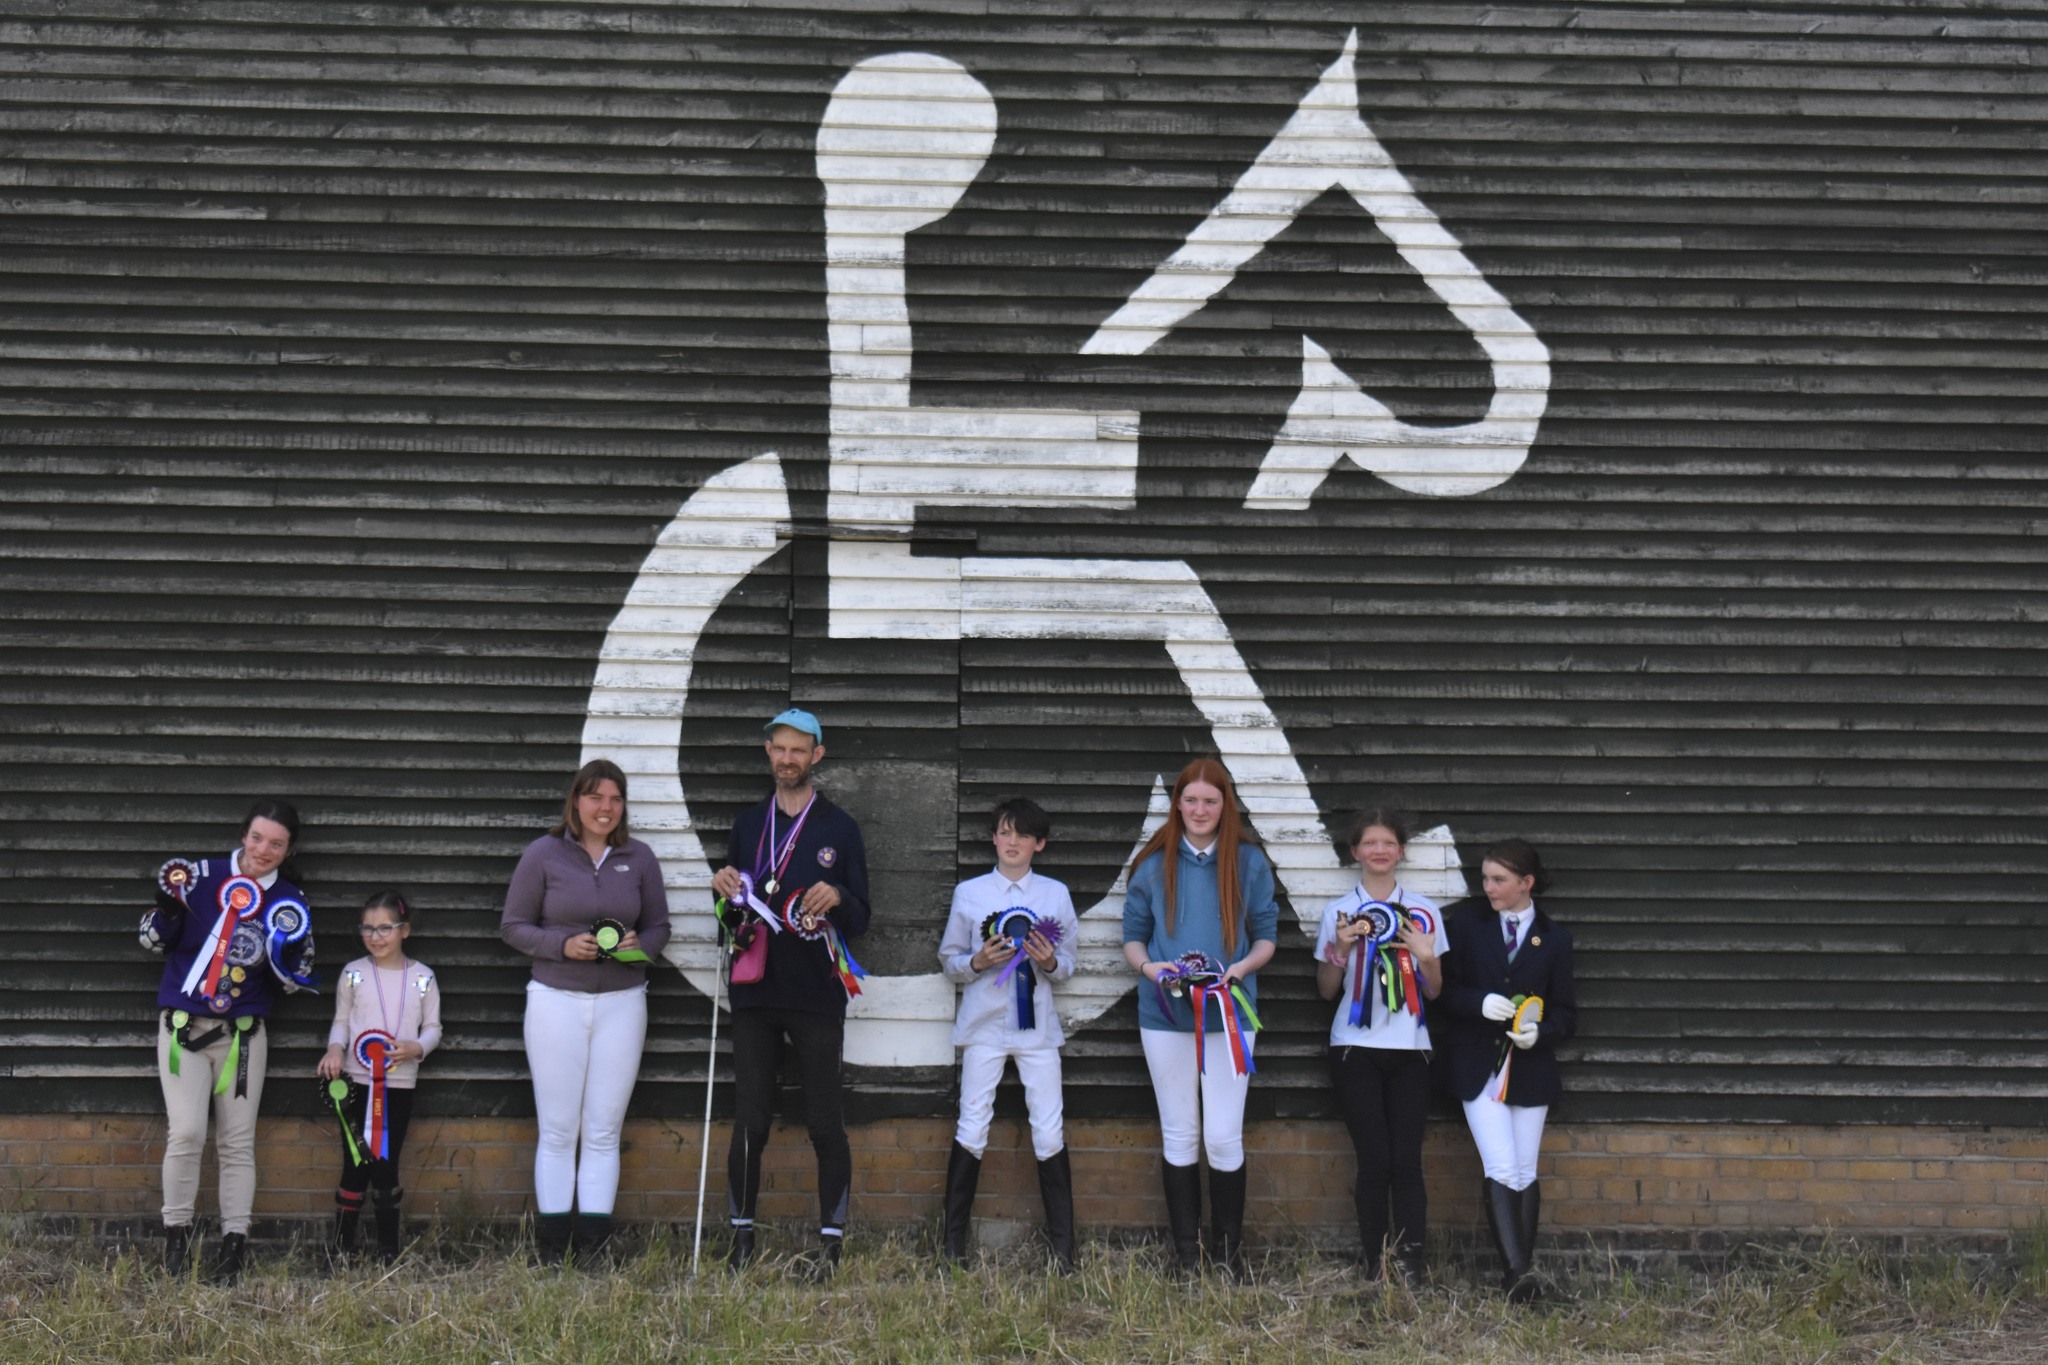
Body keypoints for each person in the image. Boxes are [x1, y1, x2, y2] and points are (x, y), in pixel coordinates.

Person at [709, 708, 871, 1278]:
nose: (787, 759)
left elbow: (863, 915)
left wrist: (839, 898)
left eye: (798, 750)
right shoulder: (748, 824)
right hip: (754, 991)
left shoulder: (839, 828)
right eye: (778, 749)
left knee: (825, 1121)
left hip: (817, 992)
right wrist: (722, 890)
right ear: (768, 753)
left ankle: (830, 1245)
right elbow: (731, 917)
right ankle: (740, 1240)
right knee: (750, 1120)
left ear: (817, 755)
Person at [139, 797, 317, 1282]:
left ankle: (233, 1246)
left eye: (276, 844)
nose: (264, 850)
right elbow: (150, 940)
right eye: (257, 838)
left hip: (242, 1034)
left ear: (288, 850)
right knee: (188, 1133)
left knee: (237, 1143)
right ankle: (176, 1238)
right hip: (183, 1029)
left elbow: (298, 974)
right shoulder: (194, 876)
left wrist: (288, 955)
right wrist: (167, 911)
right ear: (243, 834)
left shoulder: (290, 902)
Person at [500, 758, 670, 1264]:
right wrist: (561, 946)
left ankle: (593, 1248)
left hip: (622, 1004)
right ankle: (554, 1249)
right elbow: (513, 926)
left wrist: (643, 945)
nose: (606, 808)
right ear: (576, 801)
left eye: (615, 799)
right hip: (556, 1001)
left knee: (603, 1129)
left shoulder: (639, 858)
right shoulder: (543, 854)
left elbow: (661, 927)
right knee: (557, 1128)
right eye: (596, 797)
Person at [1122, 758, 1278, 1278]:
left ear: (1224, 805)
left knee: (1223, 1137)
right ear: (1178, 804)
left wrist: (1241, 969)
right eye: (1191, 800)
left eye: (1211, 801)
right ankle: (1187, 1257)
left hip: (1230, 1015)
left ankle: (1229, 1257)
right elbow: (1133, 936)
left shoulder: (1249, 862)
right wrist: (1150, 968)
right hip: (1164, 1016)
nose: (1200, 810)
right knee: (1180, 1133)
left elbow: (1266, 936)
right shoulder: (1151, 864)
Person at [936, 797, 1083, 1271]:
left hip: (1038, 1031)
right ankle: (952, 1245)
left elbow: (1069, 964)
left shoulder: (1055, 895)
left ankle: (1064, 1249)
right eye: (1004, 832)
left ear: (1039, 843)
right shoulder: (970, 893)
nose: (1012, 842)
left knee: (1048, 1129)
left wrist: (1048, 962)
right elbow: (950, 960)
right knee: (972, 1124)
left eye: (1023, 834)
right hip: (984, 1027)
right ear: (993, 838)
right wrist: (977, 962)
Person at [1435, 838, 1577, 1301]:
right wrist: (1479, 1002)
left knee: (1524, 1170)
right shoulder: (1468, 926)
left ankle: (1519, 1275)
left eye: (1499, 880)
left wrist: (1543, 1033)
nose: (1488, 888)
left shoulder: (1555, 939)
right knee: (1499, 1165)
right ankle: (1520, 1277)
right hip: (1478, 1066)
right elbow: (1444, 993)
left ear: (1526, 883)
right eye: (1485, 878)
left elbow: (1566, 1012)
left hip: (1530, 1068)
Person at [1314, 808, 1445, 1284]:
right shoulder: (1338, 912)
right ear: (1355, 853)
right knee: (1374, 1160)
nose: (1379, 850)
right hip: (1353, 1049)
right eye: (1370, 843)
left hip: (1412, 1049)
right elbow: (1327, 989)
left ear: (1401, 851)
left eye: (1388, 842)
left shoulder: (1425, 910)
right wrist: (1341, 949)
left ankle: (1410, 1262)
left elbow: (1434, 990)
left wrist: (1426, 958)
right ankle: (1375, 1261)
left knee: (1407, 1160)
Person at [318, 890, 443, 1264]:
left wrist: (416, 1048)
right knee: (355, 1162)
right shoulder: (353, 973)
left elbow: (433, 1027)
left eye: (385, 928)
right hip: (354, 1083)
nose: (376, 936)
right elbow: (342, 1020)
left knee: (386, 1164)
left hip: (399, 1084)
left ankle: (389, 1251)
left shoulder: (422, 977)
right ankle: (342, 1249)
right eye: (368, 929)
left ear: (404, 930)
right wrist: (335, 1049)